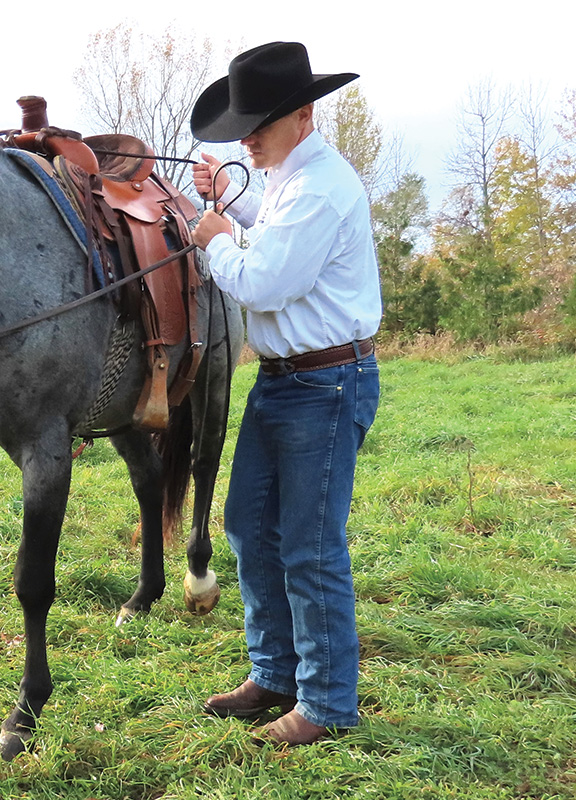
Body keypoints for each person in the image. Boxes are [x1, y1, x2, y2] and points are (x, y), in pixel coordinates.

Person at [189, 41, 382, 747]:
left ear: (303, 113)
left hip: (325, 385)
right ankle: (276, 673)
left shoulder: (325, 188)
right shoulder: (292, 181)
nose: (247, 137)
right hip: (287, 382)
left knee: (309, 547)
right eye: (244, 125)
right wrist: (231, 200)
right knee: (248, 525)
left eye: (259, 123)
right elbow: (271, 233)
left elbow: (263, 280)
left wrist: (212, 236)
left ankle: (327, 704)